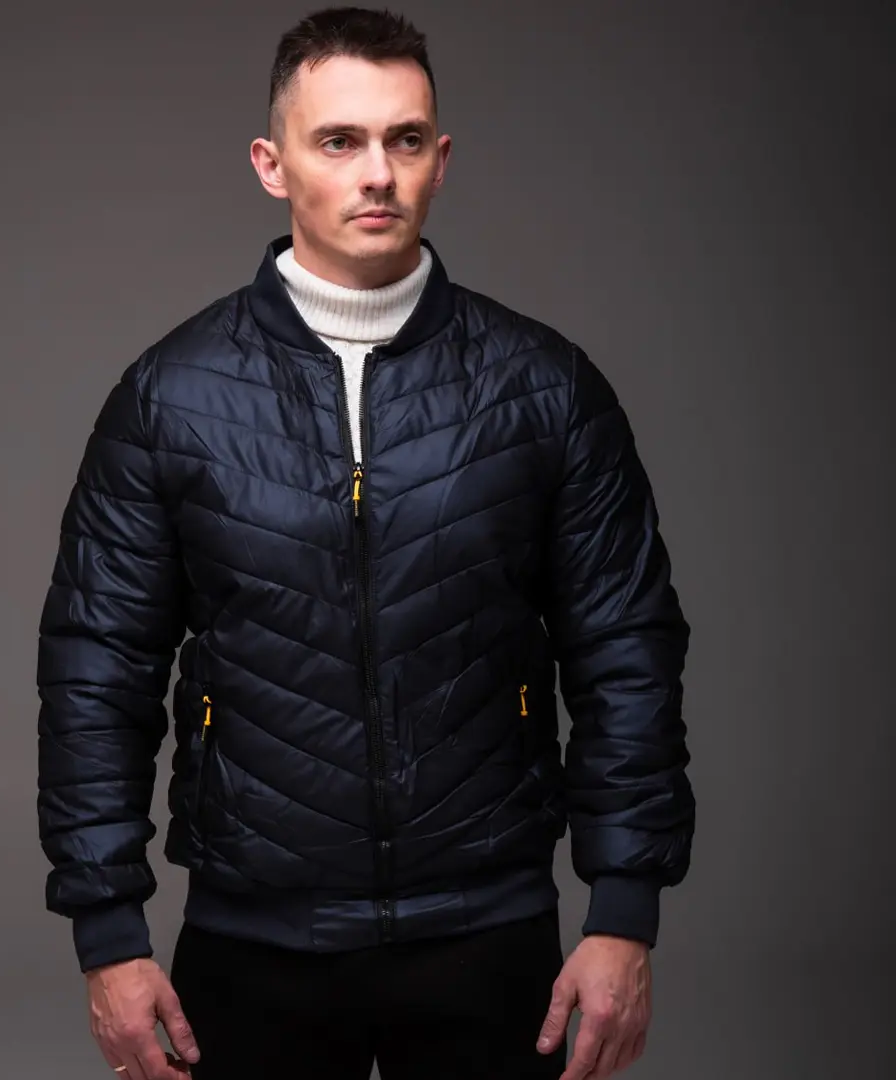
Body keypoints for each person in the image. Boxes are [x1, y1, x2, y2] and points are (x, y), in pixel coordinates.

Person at [35, 7, 695, 1079]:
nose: (377, 172)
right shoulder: (170, 399)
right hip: (254, 943)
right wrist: (107, 931)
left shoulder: (545, 389)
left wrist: (624, 911)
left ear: (441, 159)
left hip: (490, 936)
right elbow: (95, 670)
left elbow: (627, 652)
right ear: (272, 164)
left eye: (405, 139)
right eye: (339, 140)